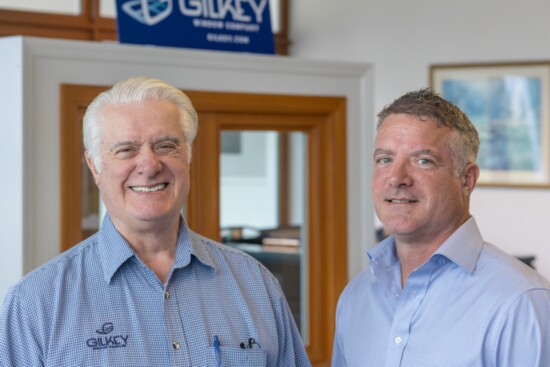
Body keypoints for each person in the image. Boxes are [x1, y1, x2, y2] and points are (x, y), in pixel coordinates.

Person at [0, 77, 311, 367]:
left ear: (187, 156)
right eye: (126, 149)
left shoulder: (256, 285)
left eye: (166, 146)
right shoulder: (35, 305)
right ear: (94, 165)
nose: (149, 165)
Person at [332, 89, 550, 366]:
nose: (397, 178)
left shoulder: (521, 303)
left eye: (423, 160)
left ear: (467, 179)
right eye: (384, 159)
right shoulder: (356, 297)